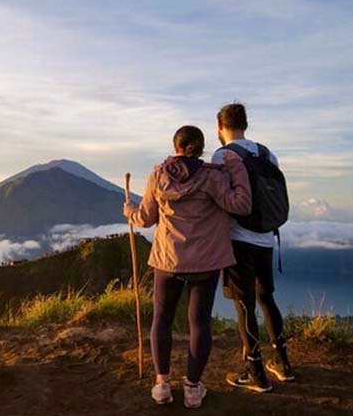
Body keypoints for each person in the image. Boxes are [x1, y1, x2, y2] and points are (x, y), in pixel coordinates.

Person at [123, 125, 251, 408]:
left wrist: (129, 211)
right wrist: (237, 167)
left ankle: (162, 385)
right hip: (205, 264)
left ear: (175, 147)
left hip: (168, 262)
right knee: (199, 324)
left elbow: (145, 219)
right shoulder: (213, 177)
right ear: (201, 148)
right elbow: (242, 205)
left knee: (162, 320)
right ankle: (193, 388)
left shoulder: (158, 176)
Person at [212, 103, 294, 394]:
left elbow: (221, 196)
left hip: (239, 239)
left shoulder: (223, 155)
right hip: (267, 237)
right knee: (266, 298)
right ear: (246, 124)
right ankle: (283, 364)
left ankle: (256, 371)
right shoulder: (267, 153)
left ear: (220, 128)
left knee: (243, 304)